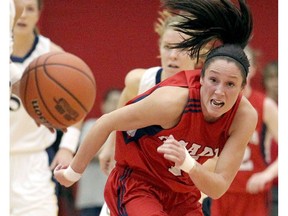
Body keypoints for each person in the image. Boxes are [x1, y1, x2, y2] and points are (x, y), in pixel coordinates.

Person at [54, 0, 257, 215]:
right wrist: (95, 157)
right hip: (140, 182)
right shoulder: (165, 96)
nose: (219, 91)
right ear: (202, 77)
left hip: (182, 192)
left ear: (243, 86)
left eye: (230, 84)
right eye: (169, 47)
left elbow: (217, 184)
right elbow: (111, 118)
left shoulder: (242, 116)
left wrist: (188, 163)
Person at [98, 10, 206, 216]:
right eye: (167, 47)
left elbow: (213, 161)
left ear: (197, 53)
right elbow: (119, 113)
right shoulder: (140, 81)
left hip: (181, 193)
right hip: (137, 188)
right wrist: (109, 146)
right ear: (159, 49)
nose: (172, 55)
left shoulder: (206, 96)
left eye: (181, 48)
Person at [10, 0, 82, 215]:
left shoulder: (52, 54)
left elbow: (77, 104)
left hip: (32, 162)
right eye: (19, 10)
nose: (22, 16)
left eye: (30, 9)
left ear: (39, 14)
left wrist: (67, 148)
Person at [210, 46, 278, 216]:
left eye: (245, 64)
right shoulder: (216, 102)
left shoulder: (265, 105)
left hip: (252, 192)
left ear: (253, 69)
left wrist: (266, 175)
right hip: (220, 190)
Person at [75, 88, 122, 216]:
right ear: (103, 104)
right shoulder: (91, 125)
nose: (115, 106)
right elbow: (90, 152)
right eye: (112, 102)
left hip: (118, 199)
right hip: (91, 199)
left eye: (119, 102)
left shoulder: (126, 129)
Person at [263, 61, 278, 216]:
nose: (276, 83)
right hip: (263, 181)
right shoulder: (258, 107)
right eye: (272, 78)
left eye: (279, 78)